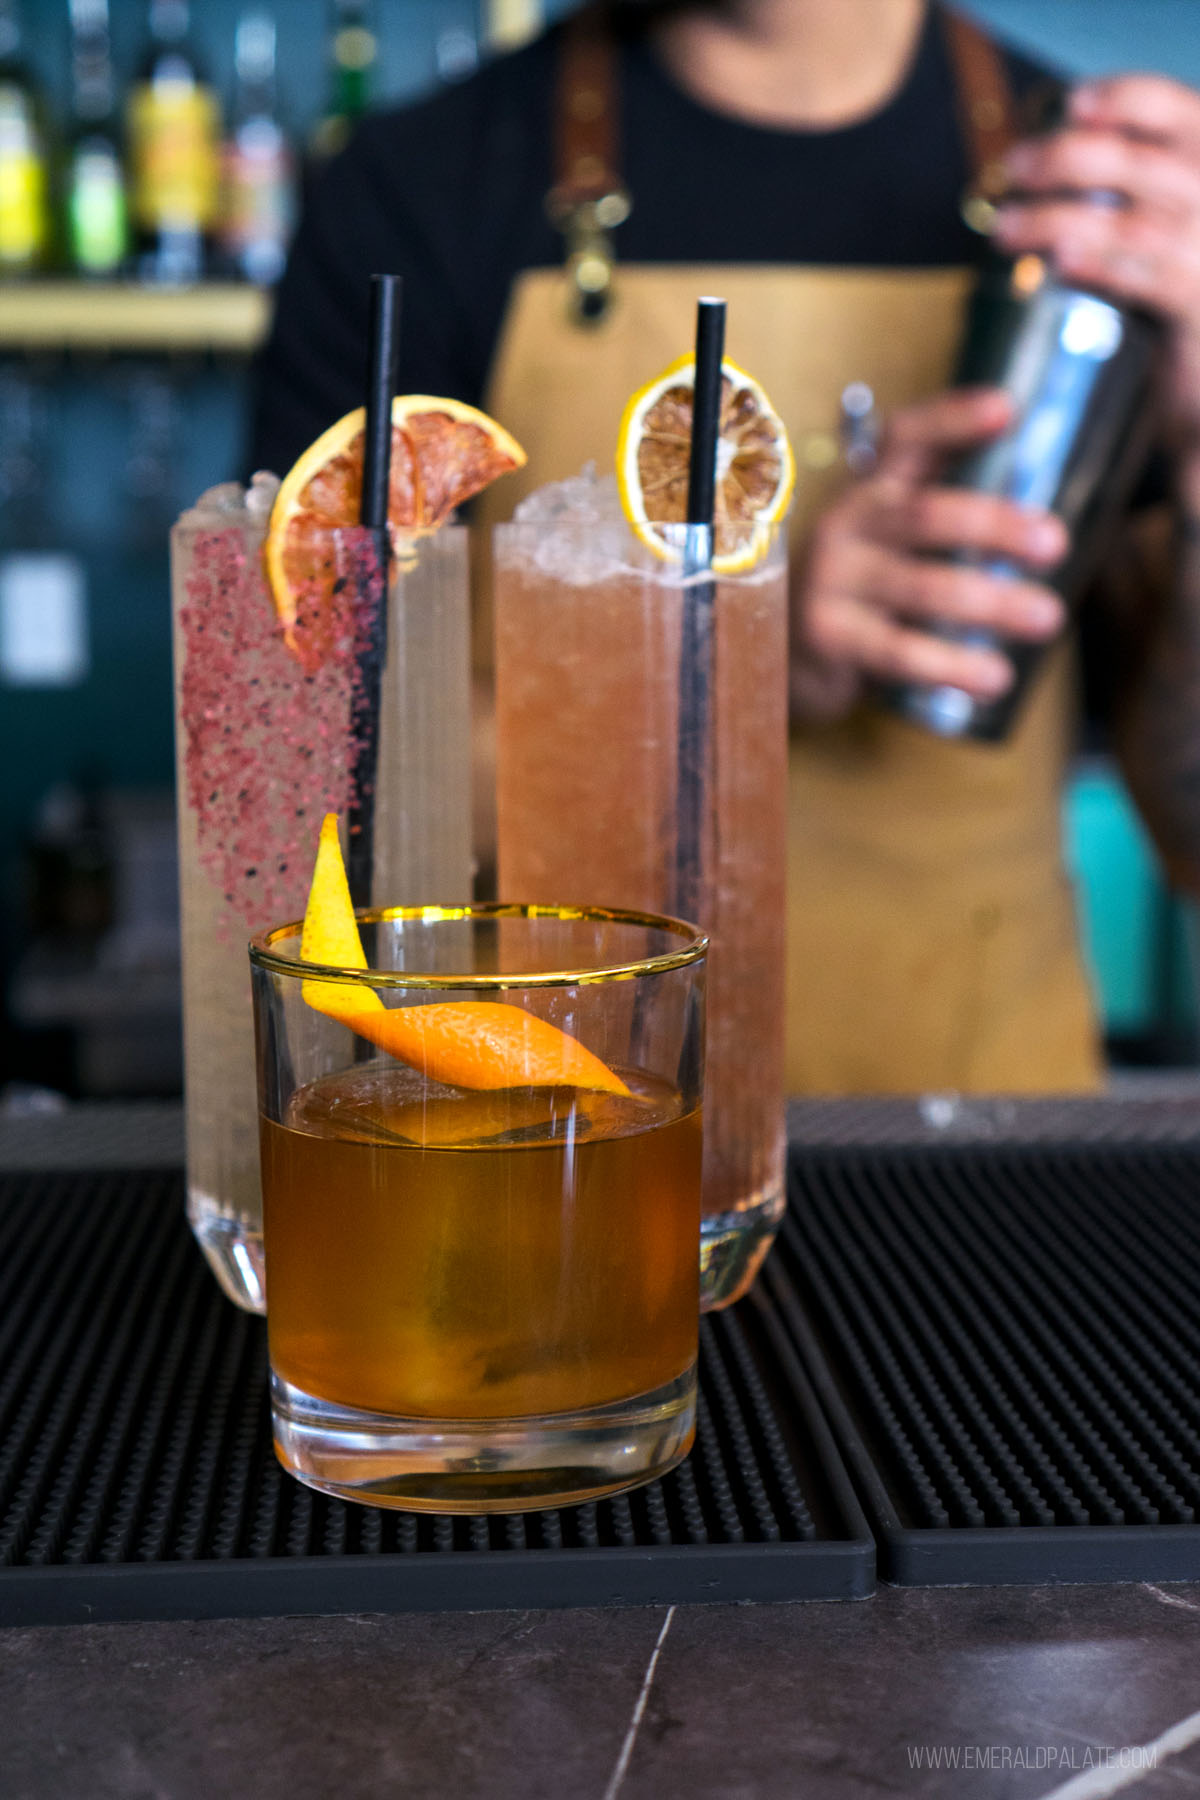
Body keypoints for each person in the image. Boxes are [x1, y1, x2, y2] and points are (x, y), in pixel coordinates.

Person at [251, 0, 1200, 1094]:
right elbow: (313, 785)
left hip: (987, 1140)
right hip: (551, 1137)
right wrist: (744, 661)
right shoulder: (415, 187)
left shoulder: (1097, 202)